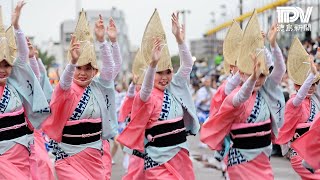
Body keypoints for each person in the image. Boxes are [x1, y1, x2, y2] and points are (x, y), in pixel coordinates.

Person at [200, 10, 286, 180]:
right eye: (254, 75)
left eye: (262, 76)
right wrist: (250, 77)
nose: (259, 80)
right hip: (240, 160)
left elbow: (280, 69)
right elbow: (242, 95)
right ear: (241, 72)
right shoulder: (234, 93)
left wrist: (271, 44)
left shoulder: (266, 91)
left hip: (263, 158)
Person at [117, 10, 199, 179]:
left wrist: (179, 40)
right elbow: (145, 91)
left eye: (167, 72)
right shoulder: (146, 96)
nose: (164, 77)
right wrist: (153, 64)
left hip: (180, 156)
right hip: (157, 160)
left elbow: (188, 65)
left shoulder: (175, 86)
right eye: (158, 73)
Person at [41, 10, 120, 179]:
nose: (83, 73)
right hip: (68, 158)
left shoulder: (99, 87)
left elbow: (111, 69)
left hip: (94, 157)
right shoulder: (66, 90)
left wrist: (103, 41)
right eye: (79, 68)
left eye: (88, 68)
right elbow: (63, 84)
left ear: (95, 71)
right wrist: (73, 62)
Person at [0, 1, 50, 179]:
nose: (3, 69)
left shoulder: (16, 84)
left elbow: (22, 57)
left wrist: (16, 26)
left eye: (6, 65)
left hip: (24, 151)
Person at [276, 38, 320, 179]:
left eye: (314, 84)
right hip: (299, 156)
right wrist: (311, 75)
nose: (312, 87)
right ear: (297, 86)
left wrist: (316, 60)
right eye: (309, 84)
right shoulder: (293, 103)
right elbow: (300, 96)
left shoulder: (315, 102)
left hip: (314, 155)